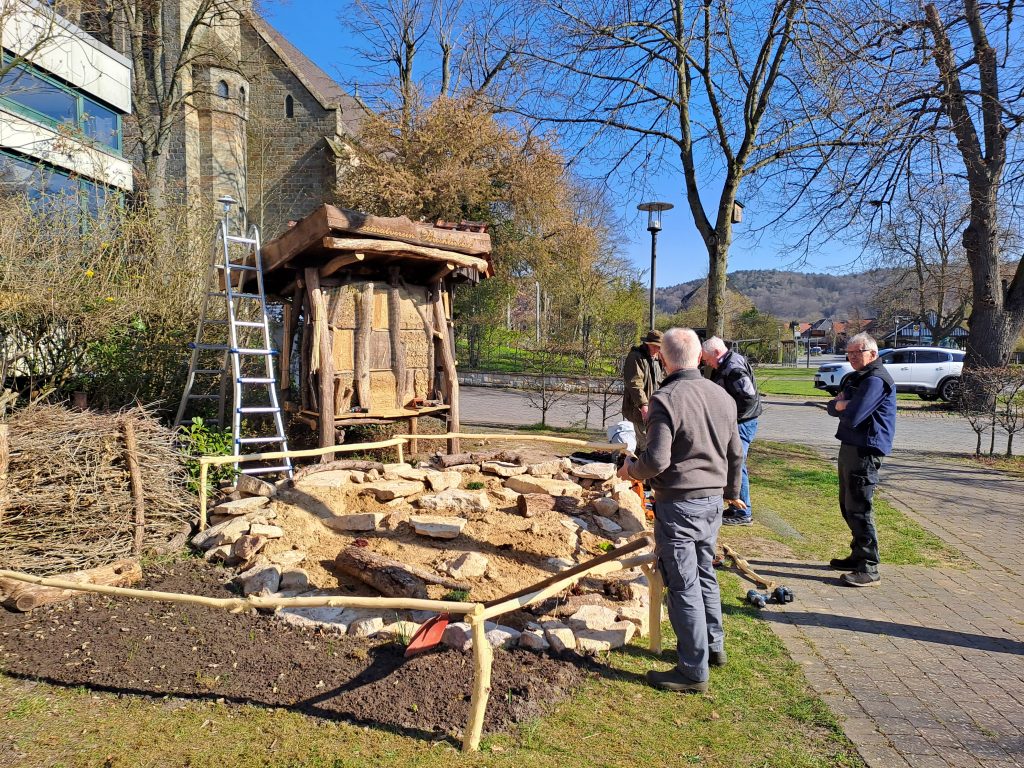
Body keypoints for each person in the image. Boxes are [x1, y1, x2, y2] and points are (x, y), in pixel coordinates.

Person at [617, 327, 744, 693]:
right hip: (711, 502)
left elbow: (656, 459)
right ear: (698, 357)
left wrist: (631, 470)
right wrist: (732, 492)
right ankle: (713, 647)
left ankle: (692, 668)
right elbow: (736, 453)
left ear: (665, 358)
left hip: (680, 505)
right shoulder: (721, 395)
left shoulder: (666, 398)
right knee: (705, 573)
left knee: (683, 582)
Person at [826, 332, 896, 587]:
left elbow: (853, 414)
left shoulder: (876, 380)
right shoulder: (856, 378)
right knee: (847, 505)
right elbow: (832, 406)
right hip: (850, 445)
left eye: (858, 353)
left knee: (859, 507)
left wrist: (843, 405)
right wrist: (841, 405)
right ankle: (857, 555)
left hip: (866, 449)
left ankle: (869, 567)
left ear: (873, 354)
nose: (852, 357)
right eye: (850, 353)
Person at [700, 336, 762, 526]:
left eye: (706, 358)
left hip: (743, 423)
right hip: (741, 421)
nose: (705, 362)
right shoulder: (728, 363)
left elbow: (748, 398)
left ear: (717, 353)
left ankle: (743, 513)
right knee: (733, 463)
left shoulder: (733, 369)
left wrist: (731, 418)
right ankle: (736, 507)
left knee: (738, 463)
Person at [621, 330, 664, 452]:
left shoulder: (657, 358)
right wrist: (643, 404)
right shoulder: (635, 357)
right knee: (646, 442)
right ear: (648, 344)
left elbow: (661, 381)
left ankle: (636, 467)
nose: (658, 349)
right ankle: (642, 469)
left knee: (647, 443)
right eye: (655, 346)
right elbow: (635, 383)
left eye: (660, 347)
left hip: (654, 407)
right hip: (638, 408)